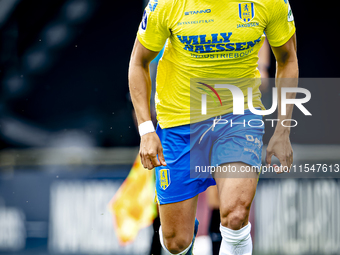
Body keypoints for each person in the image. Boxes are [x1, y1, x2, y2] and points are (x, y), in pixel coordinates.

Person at [129, 0, 298, 254]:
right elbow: (138, 62)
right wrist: (146, 130)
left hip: (238, 119)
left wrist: (283, 130)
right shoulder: (166, 4)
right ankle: (188, 229)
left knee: (235, 214)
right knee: (176, 241)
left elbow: (287, 58)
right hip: (179, 123)